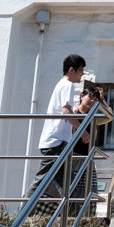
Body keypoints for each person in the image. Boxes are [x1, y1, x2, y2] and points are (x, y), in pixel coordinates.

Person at [26, 53, 87, 208]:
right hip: (55, 142)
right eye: (81, 70)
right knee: (44, 180)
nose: (83, 74)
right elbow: (66, 111)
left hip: (56, 141)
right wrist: (82, 131)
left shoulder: (61, 85)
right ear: (72, 70)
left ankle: (70, 214)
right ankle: (23, 212)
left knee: (64, 183)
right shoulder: (68, 85)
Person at [70, 86, 113, 206]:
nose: (93, 101)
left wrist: (103, 99)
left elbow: (109, 116)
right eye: (91, 97)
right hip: (73, 156)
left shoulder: (94, 116)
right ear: (82, 96)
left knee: (89, 190)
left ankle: (87, 215)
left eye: (96, 100)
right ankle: (71, 213)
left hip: (87, 157)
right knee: (72, 187)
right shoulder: (73, 112)